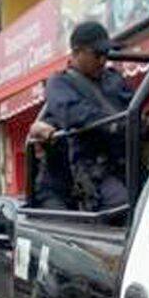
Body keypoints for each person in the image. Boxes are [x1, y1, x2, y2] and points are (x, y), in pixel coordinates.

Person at [29, 21, 133, 211]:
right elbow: (74, 114)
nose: (103, 60)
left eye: (106, 54)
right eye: (97, 54)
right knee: (122, 204)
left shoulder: (113, 79)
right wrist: (113, 124)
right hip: (91, 170)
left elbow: (133, 106)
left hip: (125, 163)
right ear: (77, 53)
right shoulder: (60, 83)